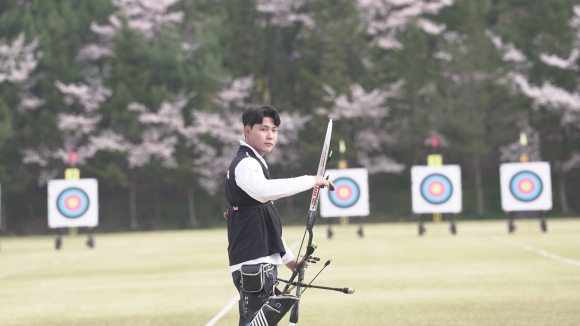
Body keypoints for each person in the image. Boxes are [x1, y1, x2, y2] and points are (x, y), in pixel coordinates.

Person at [225, 105, 334, 326]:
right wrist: (312, 180)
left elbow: (265, 220)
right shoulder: (246, 163)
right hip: (252, 262)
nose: (270, 135)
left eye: (274, 130)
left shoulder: (256, 163)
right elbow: (265, 190)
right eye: (263, 129)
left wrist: (288, 259)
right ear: (247, 131)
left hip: (260, 261)